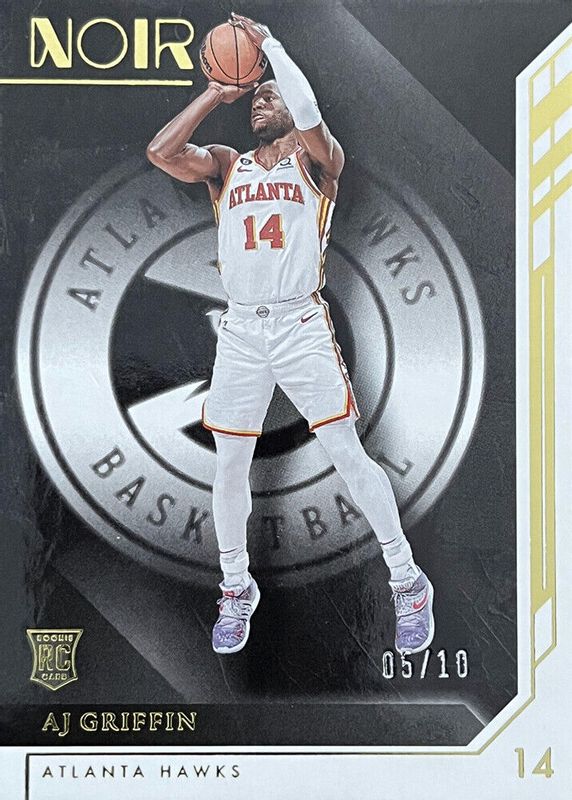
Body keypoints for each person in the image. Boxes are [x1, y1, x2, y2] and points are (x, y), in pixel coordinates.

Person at [146, 12, 434, 656]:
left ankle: (406, 579)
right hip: (242, 329)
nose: (259, 101)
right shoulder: (228, 166)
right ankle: (235, 586)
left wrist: (271, 48)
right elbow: (161, 152)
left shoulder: (319, 162)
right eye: (255, 97)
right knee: (229, 464)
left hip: (301, 323)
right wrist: (215, 92)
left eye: (268, 94)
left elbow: (309, 114)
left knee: (346, 454)